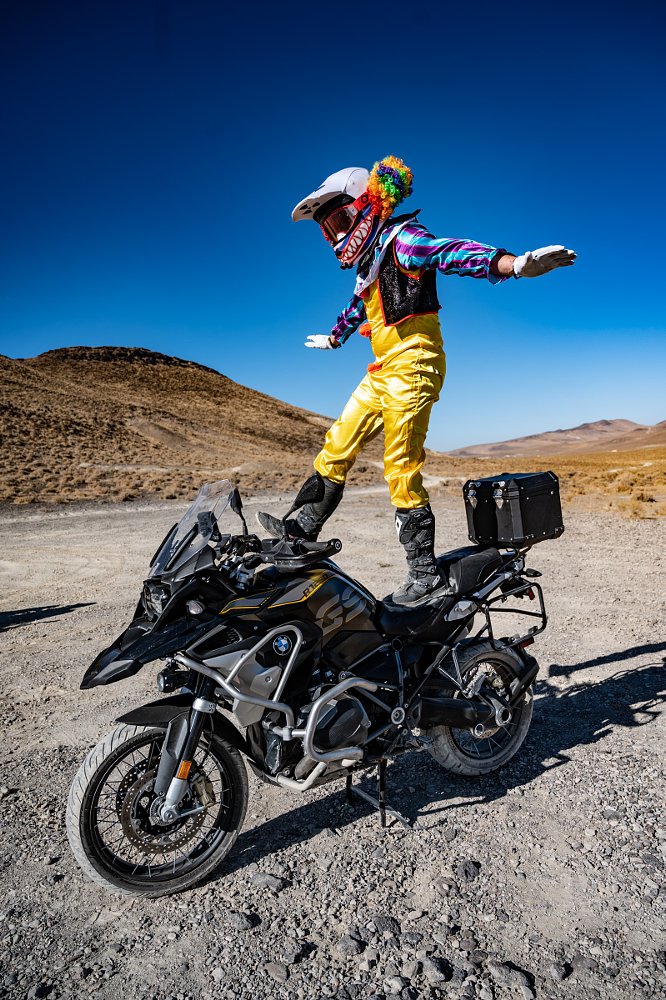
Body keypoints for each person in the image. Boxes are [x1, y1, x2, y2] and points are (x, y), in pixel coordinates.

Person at [258, 156, 576, 605]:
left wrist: (511, 264)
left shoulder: (402, 240)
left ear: (369, 205)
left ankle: (424, 574)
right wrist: (334, 337)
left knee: (400, 468)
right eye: (327, 230)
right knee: (336, 444)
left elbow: (449, 252)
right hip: (383, 369)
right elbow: (358, 307)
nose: (335, 236)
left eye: (340, 221)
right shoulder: (369, 263)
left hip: (414, 364)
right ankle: (300, 532)